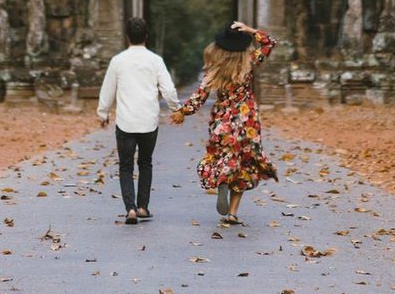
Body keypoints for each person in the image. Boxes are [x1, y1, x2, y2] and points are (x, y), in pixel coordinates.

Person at [171, 20, 277, 225]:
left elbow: (200, 95)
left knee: (222, 157)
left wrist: (183, 111)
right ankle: (233, 213)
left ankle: (222, 181)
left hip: (223, 119)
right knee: (243, 163)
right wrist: (251, 30)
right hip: (247, 120)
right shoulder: (251, 60)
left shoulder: (215, 67)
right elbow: (269, 43)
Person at [97, 16, 179, 225]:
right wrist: (176, 109)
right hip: (148, 121)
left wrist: (103, 113)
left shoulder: (118, 61)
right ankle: (143, 206)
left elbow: (108, 89)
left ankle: (130, 209)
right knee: (145, 163)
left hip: (125, 121)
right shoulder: (155, 60)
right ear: (146, 36)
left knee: (125, 165)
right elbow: (168, 89)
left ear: (127, 37)